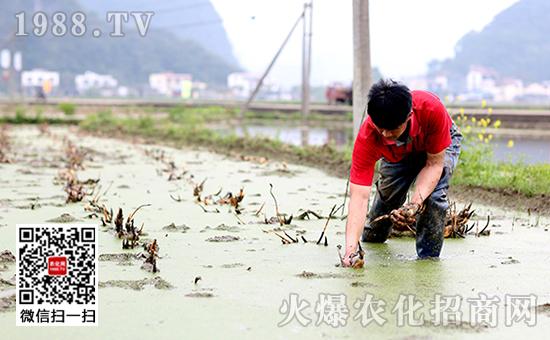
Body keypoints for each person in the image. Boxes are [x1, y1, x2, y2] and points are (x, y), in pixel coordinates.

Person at [342, 79, 462, 266]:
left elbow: (433, 165)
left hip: (436, 145)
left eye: (391, 129)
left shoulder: (431, 109)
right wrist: (350, 251)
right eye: (380, 128)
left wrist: (414, 204)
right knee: (388, 197)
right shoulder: (370, 135)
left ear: (409, 117)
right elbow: (359, 197)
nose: (385, 135)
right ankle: (372, 238)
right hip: (396, 154)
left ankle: (428, 260)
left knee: (434, 198)